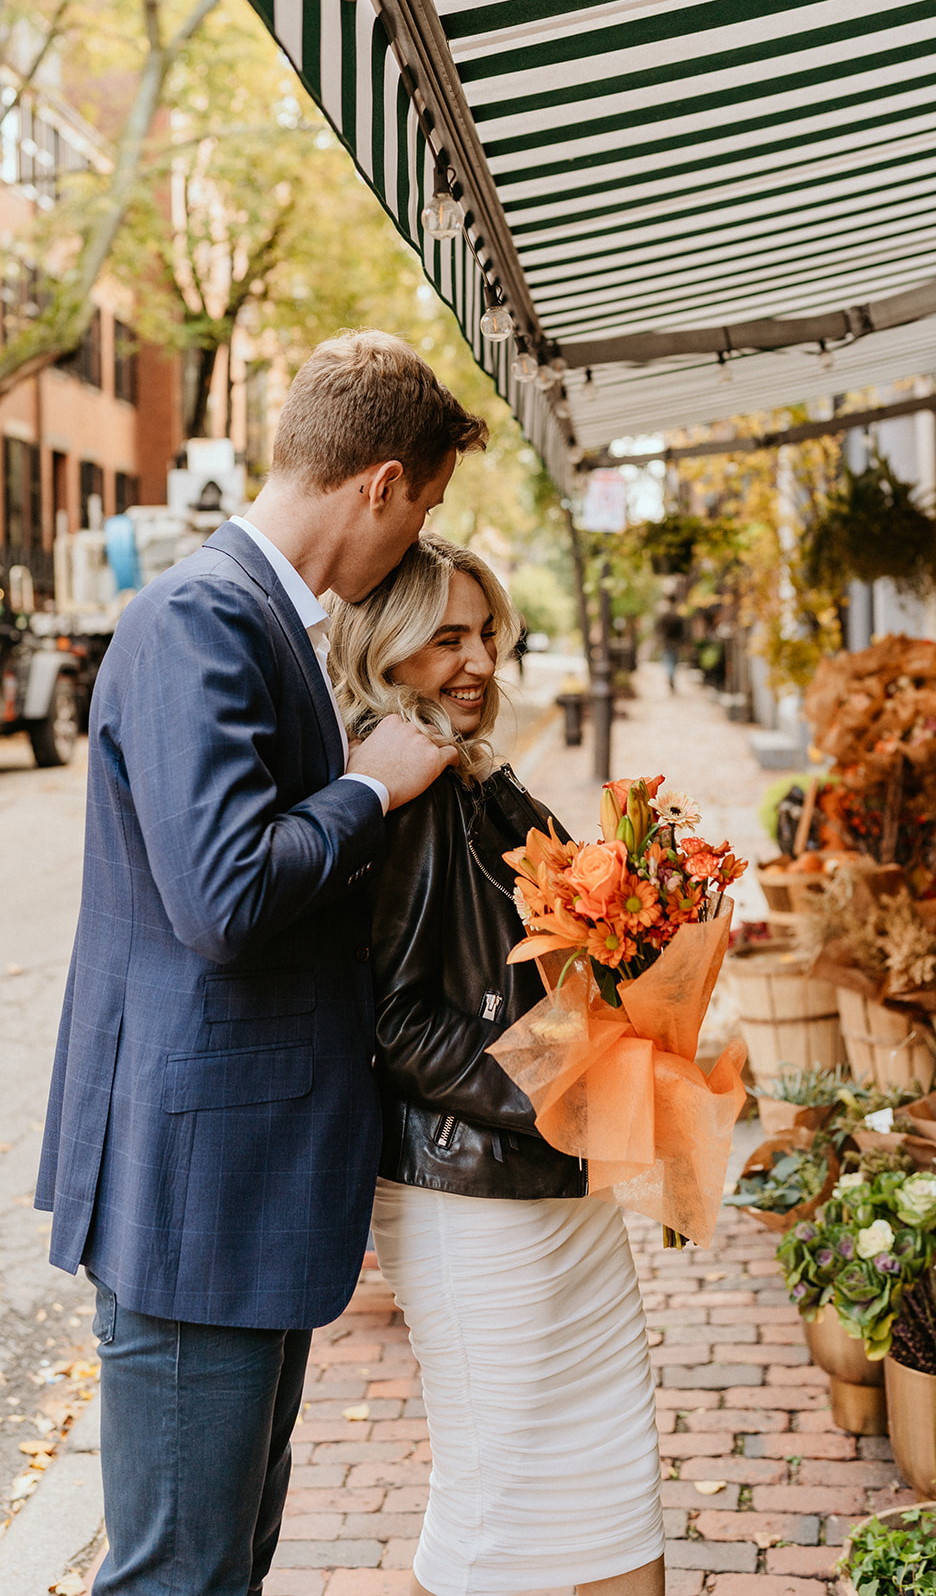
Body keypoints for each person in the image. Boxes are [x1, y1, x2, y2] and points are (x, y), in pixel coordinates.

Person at [34, 331, 487, 1596]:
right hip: (198, 1191)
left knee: (230, 1560)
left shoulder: (271, 622)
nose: (418, 536)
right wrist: (367, 785)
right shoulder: (198, 618)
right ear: (381, 483)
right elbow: (224, 899)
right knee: (179, 1573)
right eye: (428, 507)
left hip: (247, 1179)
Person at [325, 534, 665, 1596]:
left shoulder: (480, 781)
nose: (476, 661)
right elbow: (394, 1022)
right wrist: (553, 1098)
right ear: (384, 653)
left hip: (550, 1184)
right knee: (492, 1511)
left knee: (615, 1482)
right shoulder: (397, 794)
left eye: (485, 634)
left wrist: (650, 914)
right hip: (468, 1199)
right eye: (444, 639)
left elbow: (581, 931)